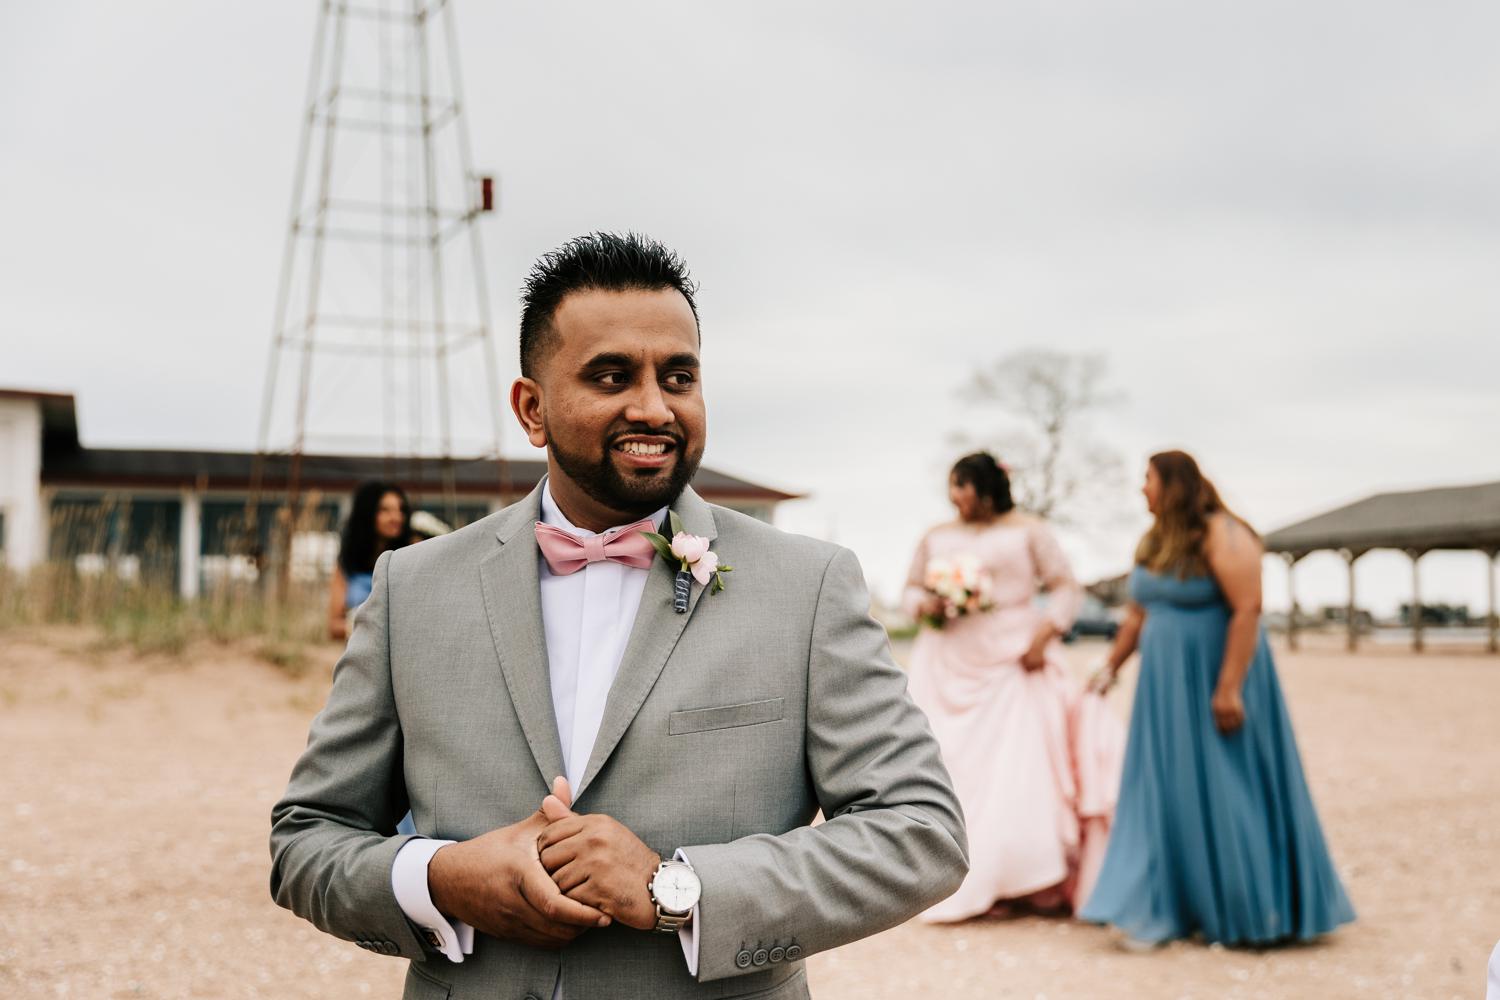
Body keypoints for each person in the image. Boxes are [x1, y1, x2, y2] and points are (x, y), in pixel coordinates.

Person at [270, 232, 968, 1000]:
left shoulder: (807, 586)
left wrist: (681, 890)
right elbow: (306, 839)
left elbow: (920, 831)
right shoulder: (414, 588)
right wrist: (438, 878)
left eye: (679, 376)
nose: (653, 407)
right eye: (611, 376)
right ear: (531, 409)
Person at [1080, 450, 1355, 948]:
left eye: (1148, 479)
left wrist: (1228, 686)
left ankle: (1247, 911)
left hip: (1212, 680)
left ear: (1174, 483)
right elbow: (1137, 616)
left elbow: (1247, 609)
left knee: (1228, 787)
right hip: (1162, 692)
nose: (1142, 489)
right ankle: (1171, 906)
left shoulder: (1223, 532)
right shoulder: (1155, 540)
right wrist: (1109, 669)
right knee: (1167, 790)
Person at [902, 452, 1122, 922]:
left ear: (986, 489)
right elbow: (910, 590)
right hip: (948, 663)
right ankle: (954, 872)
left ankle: (1024, 879)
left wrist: (1045, 634)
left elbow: (1065, 586)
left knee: (1020, 772)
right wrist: (929, 606)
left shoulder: (1030, 530)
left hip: (1015, 662)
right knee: (951, 764)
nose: (955, 496)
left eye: (963, 486)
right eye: (952, 487)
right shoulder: (935, 536)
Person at [328, 482, 410, 641]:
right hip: (360, 654)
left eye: (400, 510)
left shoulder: (410, 558)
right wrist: (372, 627)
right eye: (385, 510)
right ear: (367, 514)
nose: (396, 517)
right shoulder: (347, 565)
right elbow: (333, 627)